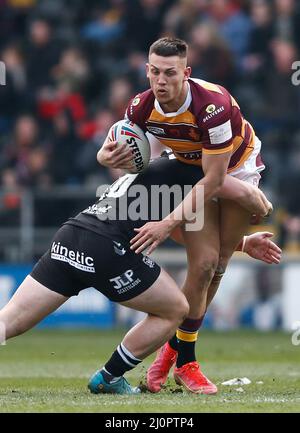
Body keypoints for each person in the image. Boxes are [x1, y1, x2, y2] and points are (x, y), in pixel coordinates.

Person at [0, 156, 280, 396]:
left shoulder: (155, 165)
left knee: (8, 320)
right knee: (177, 309)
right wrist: (265, 206)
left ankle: (112, 376)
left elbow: (179, 231)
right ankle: (109, 377)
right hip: (108, 248)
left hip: (73, 235)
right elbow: (246, 195)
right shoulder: (194, 167)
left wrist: (242, 244)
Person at [97, 37, 275, 394]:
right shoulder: (141, 107)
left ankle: (171, 354)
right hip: (194, 171)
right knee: (206, 262)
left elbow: (214, 180)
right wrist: (105, 157)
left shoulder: (213, 106)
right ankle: (187, 362)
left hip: (233, 170)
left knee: (218, 261)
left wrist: (168, 222)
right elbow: (117, 148)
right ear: (147, 71)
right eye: (154, 72)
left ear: (186, 73)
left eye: (170, 73)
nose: (161, 81)